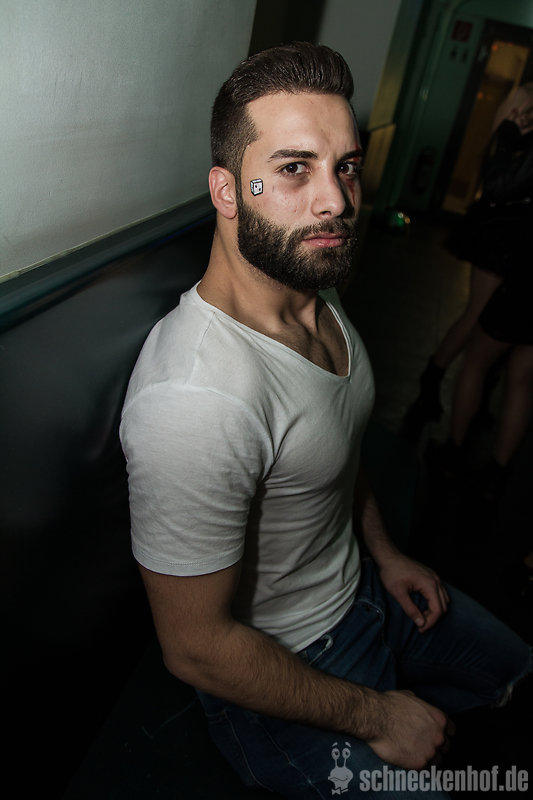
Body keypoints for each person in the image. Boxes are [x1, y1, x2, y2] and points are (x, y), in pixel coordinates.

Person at [120, 43, 531, 799]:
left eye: (346, 167)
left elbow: (331, 450)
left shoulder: (312, 288)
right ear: (226, 190)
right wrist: (376, 714)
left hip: (363, 586)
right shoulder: (194, 398)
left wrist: (385, 554)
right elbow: (197, 648)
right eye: (293, 168)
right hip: (285, 665)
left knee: (516, 669)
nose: (336, 201)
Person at [403, 83, 533, 438]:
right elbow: (496, 173)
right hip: (501, 234)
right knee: (478, 314)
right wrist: (509, 133)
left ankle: (465, 398)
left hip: (516, 237)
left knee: (497, 326)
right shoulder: (522, 96)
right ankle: (432, 381)